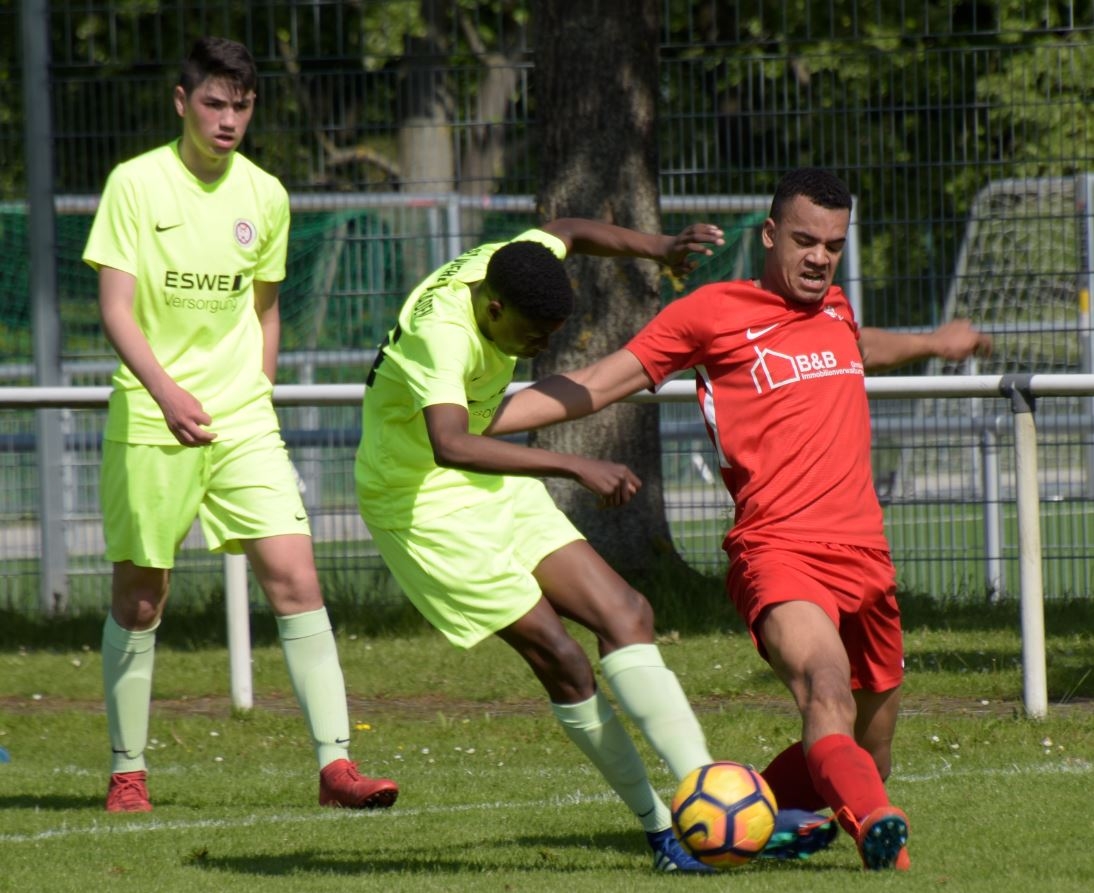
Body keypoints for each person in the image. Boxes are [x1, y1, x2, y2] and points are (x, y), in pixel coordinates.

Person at [485, 168, 993, 871]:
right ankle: (878, 828)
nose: (819, 258)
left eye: (834, 246)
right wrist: (477, 420)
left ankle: (746, 817)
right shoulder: (711, 313)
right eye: (806, 240)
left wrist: (935, 342)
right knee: (824, 688)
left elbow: (860, 344)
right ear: (770, 234)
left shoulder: (836, 309)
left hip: (867, 556)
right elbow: (602, 382)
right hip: (780, 551)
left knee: (870, 753)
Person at [354, 217, 835, 873]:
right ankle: (664, 834)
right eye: (533, 335)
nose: (541, 347)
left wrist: (659, 247)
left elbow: (568, 231)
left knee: (627, 612)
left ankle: (718, 809)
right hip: (420, 504)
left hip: (483, 480)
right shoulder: (443, 335)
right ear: (493, 309)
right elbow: (450, 444)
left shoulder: (511, 262)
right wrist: (574, 465)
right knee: (561, 657)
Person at [83, 36, 397, 813]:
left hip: (243, 421)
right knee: (142, 596)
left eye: (243, 106)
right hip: (153, 417)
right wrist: (165, 392)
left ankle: (336, 766)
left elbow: (265, 309)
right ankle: (128, 770)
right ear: (182, 101)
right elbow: (116, 308)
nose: (228, 120)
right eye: (215, 103)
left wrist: (258, 390)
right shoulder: (135, 184)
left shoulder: (266, 194)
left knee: (296, 576)